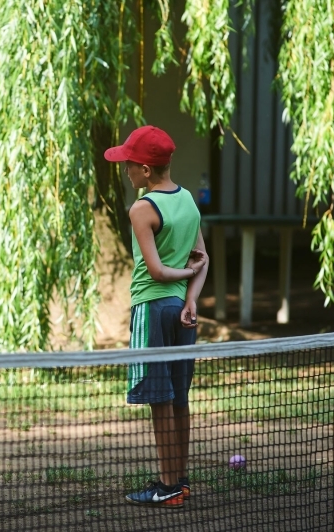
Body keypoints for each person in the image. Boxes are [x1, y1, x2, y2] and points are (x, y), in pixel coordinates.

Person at [104, 125, 209, 509]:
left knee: (159, 400)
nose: (126, 170)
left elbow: (159, 271)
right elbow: (203, 259)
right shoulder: (188, 202)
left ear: (146, 170)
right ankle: (179, 480)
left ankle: (166, 487)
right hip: (182, 312)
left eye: (129, 164)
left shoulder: (142, 208)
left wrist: (181, 276)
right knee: (179, 398)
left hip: (152, 307)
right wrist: (191, 300)